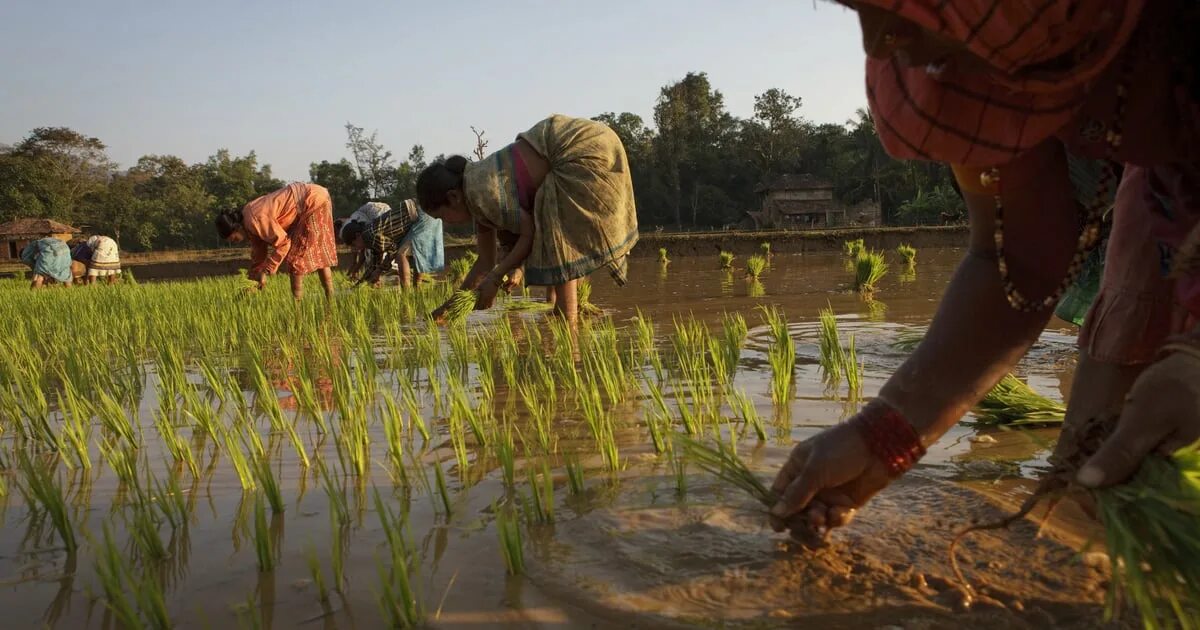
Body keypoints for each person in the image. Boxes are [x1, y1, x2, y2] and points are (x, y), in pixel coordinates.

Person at [769, 0, 1200, 540]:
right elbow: (1016, 261)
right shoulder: (996, 63)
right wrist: (878, 437)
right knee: (1094, 475)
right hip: (1164, 196)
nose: (877, 43)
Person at [417, 114, 639, 321]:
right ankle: (570, 315)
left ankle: (568, 327)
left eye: (441, 216)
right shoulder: (477, 201)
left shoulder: (481, 191)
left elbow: (528, 232)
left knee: (559, 240)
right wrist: (445, 311)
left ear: (453, 197)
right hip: (592, 140)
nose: (446, 223)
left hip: (583, 150)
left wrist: (496, 279)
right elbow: (484, 262)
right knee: (557, 234)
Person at [214, 182, 337, 301]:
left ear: (238, 227)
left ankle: (298, 307)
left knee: (295, 259)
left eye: (235, 239)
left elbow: (284, 243)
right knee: (317, 253)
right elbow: (259, 254)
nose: (237, 242)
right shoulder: (248, 220)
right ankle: (329, 300)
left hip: (312, 201)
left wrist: (265, 271)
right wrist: (250, 283)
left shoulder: (255, 219)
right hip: (315, 196)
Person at [343, 199, 446, 287]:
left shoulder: (369, 235)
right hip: (424, 210)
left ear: (357, 236)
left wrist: (377, 272)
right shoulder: (369, 235)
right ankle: (416, 291)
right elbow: (374, 264)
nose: (357, 249)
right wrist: (362, 283)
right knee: (415, 254)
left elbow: (393, 249)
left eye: (354, 245)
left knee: (401, 254)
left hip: (422, 212)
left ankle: (406, 294)